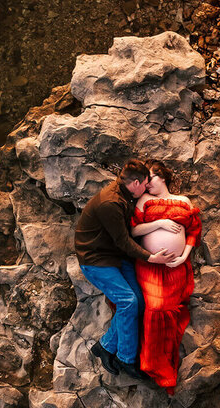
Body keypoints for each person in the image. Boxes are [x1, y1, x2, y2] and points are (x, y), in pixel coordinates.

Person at [75, 159, 172, 383]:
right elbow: (123, 241)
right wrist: (152, 258)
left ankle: (106, 346)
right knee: (128, 301)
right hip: (96, 259)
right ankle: (126, 359)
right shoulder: (110, 203)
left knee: (139, 301)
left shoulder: (127, 193)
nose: (147, 187)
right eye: (145, 184)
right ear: (136, 183)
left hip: (116, 257)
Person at [130, 160, 202, 394]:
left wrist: (184, 257)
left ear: (162, 177)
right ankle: (151, 365)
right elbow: (134, 230)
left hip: (175, 267)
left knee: (170, 313)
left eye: (150, 178)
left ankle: (167, 365)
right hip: (150, 265)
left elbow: (193, 232)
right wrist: (160, 223)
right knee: (155, 309)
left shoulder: (184, 201)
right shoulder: (144, 201)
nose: (146, 184)